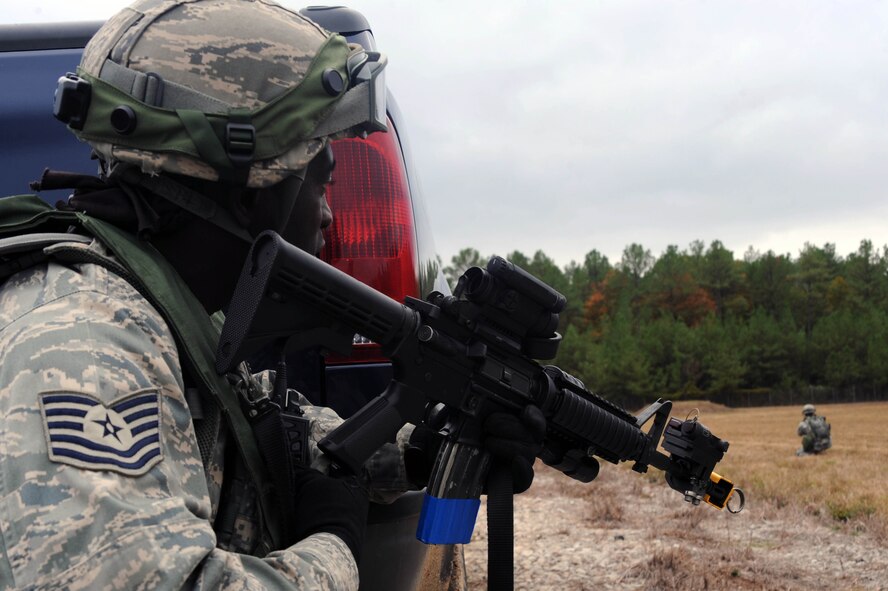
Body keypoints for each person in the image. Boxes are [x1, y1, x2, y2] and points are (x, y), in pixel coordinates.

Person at [0, 1, 545, 589]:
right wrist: (335, 549)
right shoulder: (85, 338)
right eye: (321, 183)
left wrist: (419, 451)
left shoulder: (155, 311)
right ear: (254, 191)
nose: (329, 217)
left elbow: (264, 427)